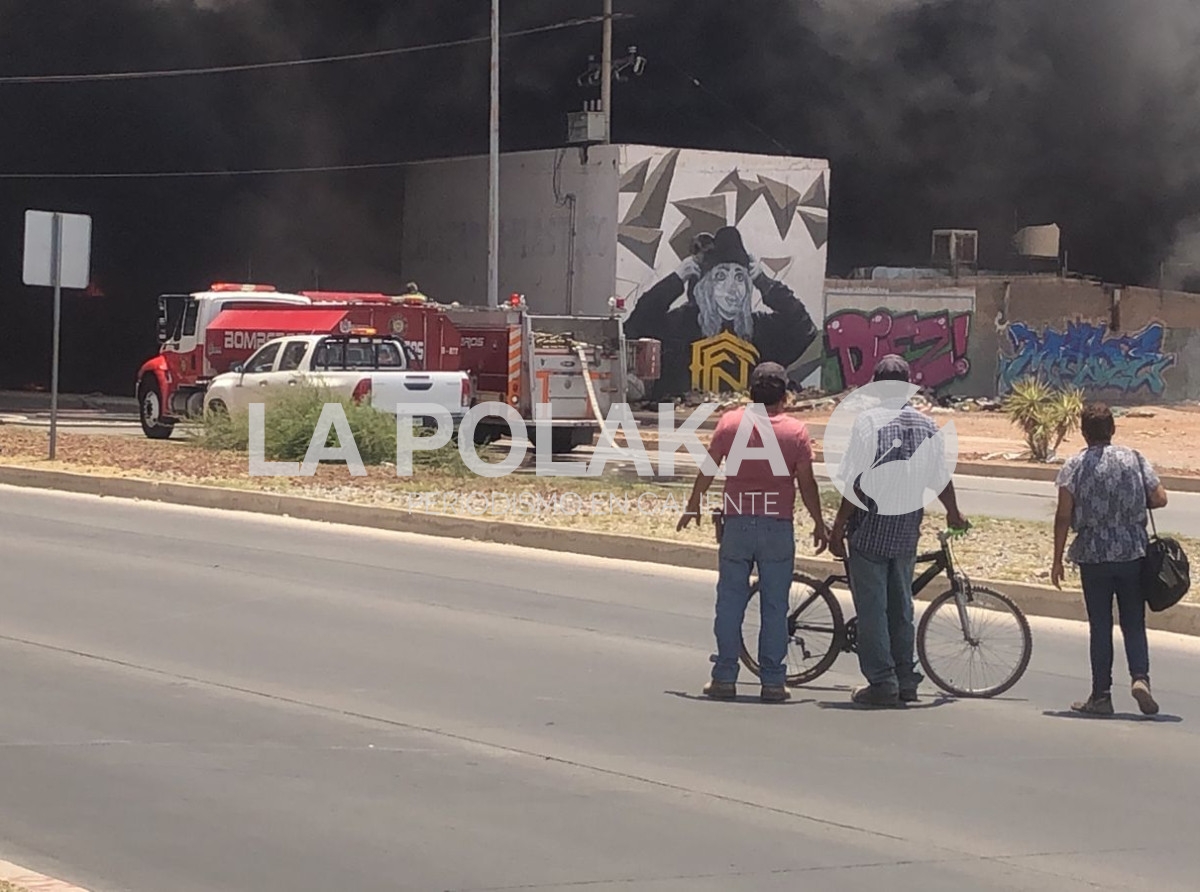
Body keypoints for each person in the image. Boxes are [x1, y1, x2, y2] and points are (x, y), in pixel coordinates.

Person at [678, 361, 829, 702]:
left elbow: (708, 467)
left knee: (730, 602)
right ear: (785, 395)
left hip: (737, 523)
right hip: (777, 526)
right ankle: (773, 681)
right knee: (775, 607)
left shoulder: (731, 423)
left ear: (751, 391)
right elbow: (807, 484)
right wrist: (819, 523)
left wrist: (693, 503)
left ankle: (724, 676)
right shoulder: (796, 432)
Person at [828, 355, 968, 707]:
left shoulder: (867, 425)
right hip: (906, 529)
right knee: (901, 606)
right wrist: (953, 512)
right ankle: (906, 678)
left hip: (870, 530)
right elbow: (941, 477)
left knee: (873, 609)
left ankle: (882, 682)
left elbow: (854, 484)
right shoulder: (926, 425)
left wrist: (838, 526)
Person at [1051, 402, 1168, 716]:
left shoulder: (1074, 466)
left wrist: (1057, 559)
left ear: (1084, 432)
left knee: (1100, 626)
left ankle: (1101, 695)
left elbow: (1063, 515)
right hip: (1132, 552)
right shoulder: (1133, 458)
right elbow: (1160, 498)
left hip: (1093, 555)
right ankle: (1140, 678)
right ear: (1113, 429)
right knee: (1134, 622)